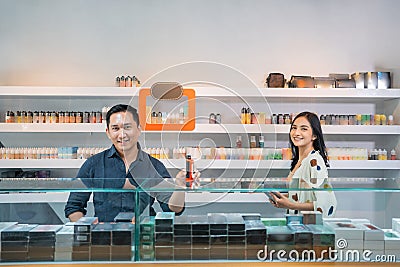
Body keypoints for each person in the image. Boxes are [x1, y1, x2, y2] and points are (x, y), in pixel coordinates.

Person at [64, 104, 199, 222]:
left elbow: (173, 209)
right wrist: (93, 228)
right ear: (108, 132)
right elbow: (73, 207)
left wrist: (180, 186)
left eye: (127, 127)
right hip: (105, 238)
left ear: (139, 129)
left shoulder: (154, 166)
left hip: (143, 236)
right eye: (115, 128)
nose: (122, 135)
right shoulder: (93, 164)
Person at [269, 111, 337, 217]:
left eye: (304, 129)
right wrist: (283, 198)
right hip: (298, 224)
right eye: (294, 128)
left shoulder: (314, 161)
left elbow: (324, 203)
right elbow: (303, 194)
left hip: (311, 226)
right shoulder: (300, 161)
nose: (296, 133)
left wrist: (291, 205)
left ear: (314, 135)